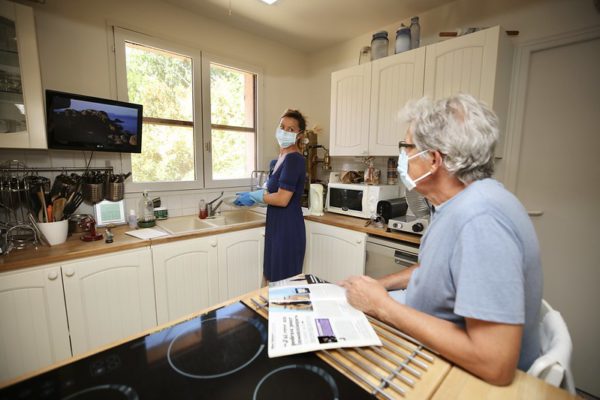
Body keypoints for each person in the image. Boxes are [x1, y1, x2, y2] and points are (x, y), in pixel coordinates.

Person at [340, 94, 542, 386]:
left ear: (433, 159)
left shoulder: (481, 219)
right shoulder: (458, 203)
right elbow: (438, 269)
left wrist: (381, 305)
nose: (402, 156)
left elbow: (495, 363)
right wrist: (379, 285)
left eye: (406, 147)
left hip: (463, 380)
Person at [235, 109, 307, 283]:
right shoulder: (279, 160)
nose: (284, 131)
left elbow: (282, 199)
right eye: (282, 127)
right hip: (275, 227)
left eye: (291, 129)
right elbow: (271, 192)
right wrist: (257, 195)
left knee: (284, 284)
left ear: (299, 135)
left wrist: (255, 196)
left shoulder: (294, 159)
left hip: (288, 229)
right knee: (270, 276)